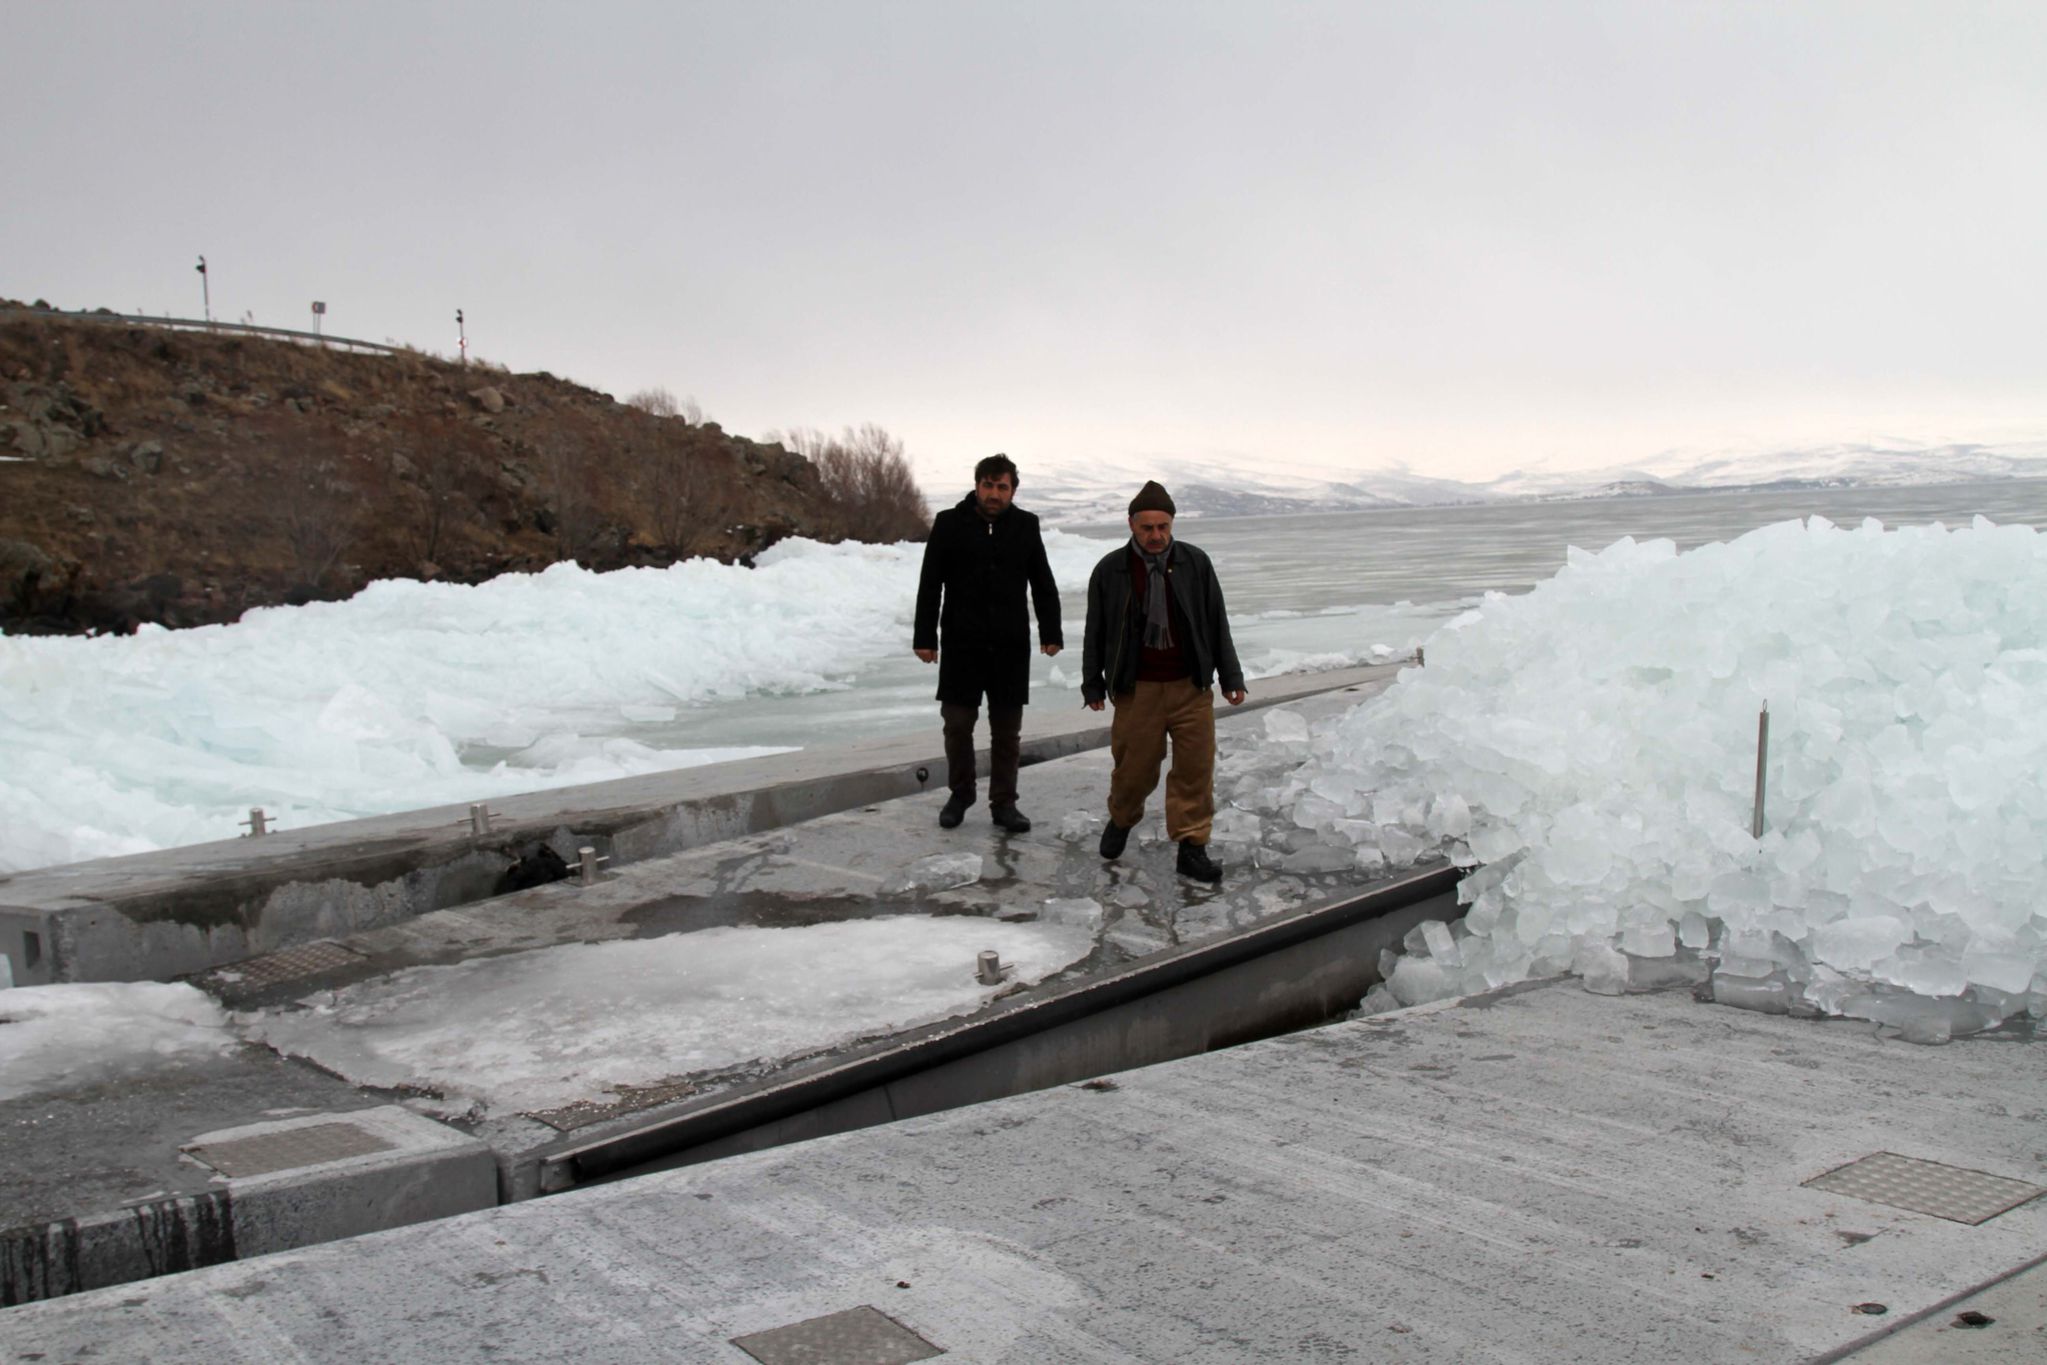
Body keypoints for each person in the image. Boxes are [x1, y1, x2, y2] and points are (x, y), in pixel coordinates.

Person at [1081, 480, 1247, 882]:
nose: (1156, 536)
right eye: (1147, 528)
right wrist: (1092, 684)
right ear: (1131, 525)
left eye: (1163, 527)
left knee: (1195, 770)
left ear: (1172, 525)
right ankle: (1121, 818)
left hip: (1190, 687)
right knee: (1134, 771)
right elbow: (1096, 631)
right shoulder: (1110, 570)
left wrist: (1230, 676)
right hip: (1137, 691)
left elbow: (1215, 620)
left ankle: (1192, 847)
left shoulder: (1195, 563)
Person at [913, 453, 1063, 832]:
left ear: (1012, 490)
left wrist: (1051, 632)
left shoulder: (1026, 526)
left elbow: (1042, 582)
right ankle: (961, 793)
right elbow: (930, 583)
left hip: (1010, 645)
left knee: (1007, 731)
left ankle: (1004, 803)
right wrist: (924, 637)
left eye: (1003, 487)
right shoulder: (949, 524)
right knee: (958, 724)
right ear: (977, 485)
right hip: (962, 644)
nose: (995, 493)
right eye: (988, 485)